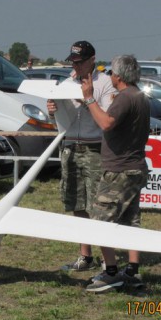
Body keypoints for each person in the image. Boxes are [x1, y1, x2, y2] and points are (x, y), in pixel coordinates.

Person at [81, 55, 150, 293]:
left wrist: (89, 98)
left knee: (99, 222)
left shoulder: (125, 98)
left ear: (119, 77)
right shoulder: (139, 95)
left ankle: (111, 273)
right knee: (130, 222)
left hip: (119, 171)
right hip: (136, 168)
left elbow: (106, 123)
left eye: (112, 73)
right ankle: (132, 270)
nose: (110, 77)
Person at [47, 41, 115, 271]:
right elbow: (58, 119)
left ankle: (108, 260)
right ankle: (85, 255)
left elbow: (106, 119)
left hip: (95, 148)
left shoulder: (105, 82)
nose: (76, 66)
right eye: (73, 62)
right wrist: (52, 109)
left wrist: (88, 99)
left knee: (98, 205)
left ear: (92, 60)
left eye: (80, 62)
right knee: (77, 202)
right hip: (70, 146)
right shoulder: (66, 83)